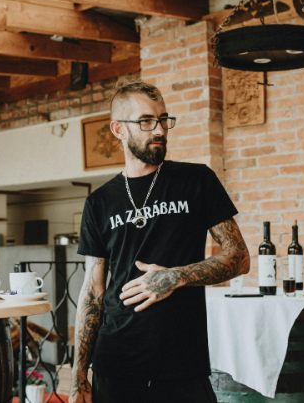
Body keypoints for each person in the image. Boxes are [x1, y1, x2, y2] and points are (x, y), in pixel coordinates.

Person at [70, 79, 251, 403]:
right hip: (116, 364)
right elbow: (94, 291)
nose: (160, 129)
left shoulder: (197, 180)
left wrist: (176, 276)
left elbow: (239, 256)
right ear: (118, 129)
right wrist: (78, 374)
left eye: (164, 119)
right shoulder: (99, 203)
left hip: (182, 364)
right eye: (146, 121)